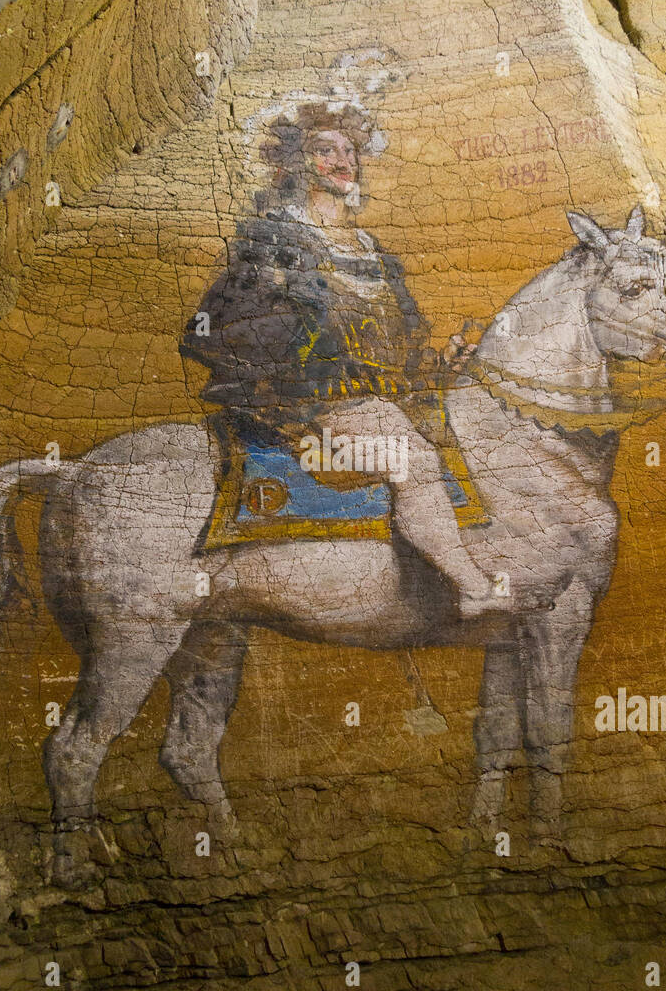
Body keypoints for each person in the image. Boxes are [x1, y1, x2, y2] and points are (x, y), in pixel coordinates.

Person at [181, 98, 508, 618]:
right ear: (293, 162)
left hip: (375, 402)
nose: (343, 161)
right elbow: (223, 331)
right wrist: (307, 360)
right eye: (324, 149)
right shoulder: (275, 243)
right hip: (302, 409)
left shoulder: (370, 250)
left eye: (349, 151)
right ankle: (470, 586)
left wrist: (444, 361)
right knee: (413, 460)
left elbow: (399, 355)